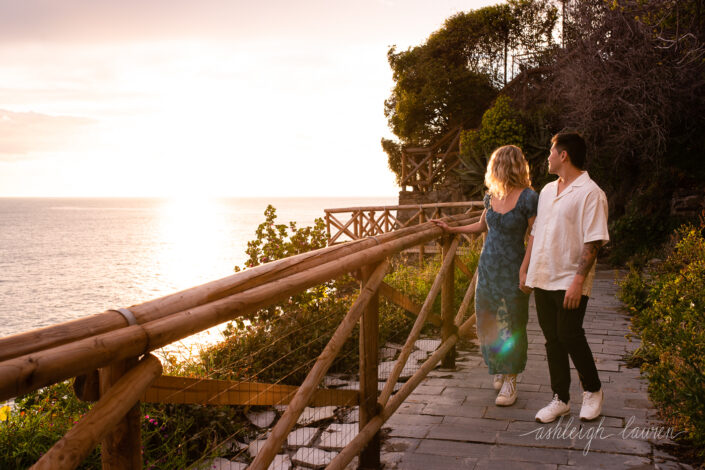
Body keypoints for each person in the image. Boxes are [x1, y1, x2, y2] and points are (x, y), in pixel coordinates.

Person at [432, 145, 538, 406]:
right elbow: (482, 225)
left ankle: (511, 380)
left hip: (514, 267)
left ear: (502, 166)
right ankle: (501, 367)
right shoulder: (491, 197)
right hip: (488, 268)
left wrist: (526, 269)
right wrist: (452, 228)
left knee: (513, 322)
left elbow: (536, 235)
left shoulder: (529, 198)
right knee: (488, 321)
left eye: (496, 164)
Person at [519, 132, 609, 423]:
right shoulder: (546, 191)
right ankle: (560, 399)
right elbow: (536, 232)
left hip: (570, 279)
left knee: (570, 334)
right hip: (543, 276)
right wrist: (525, 267)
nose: (548, 156)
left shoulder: (591, 193)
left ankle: (593, 391)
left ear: (564, 155)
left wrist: (578, 281)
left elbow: (593, 241)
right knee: (552, 340)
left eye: (551, 151)